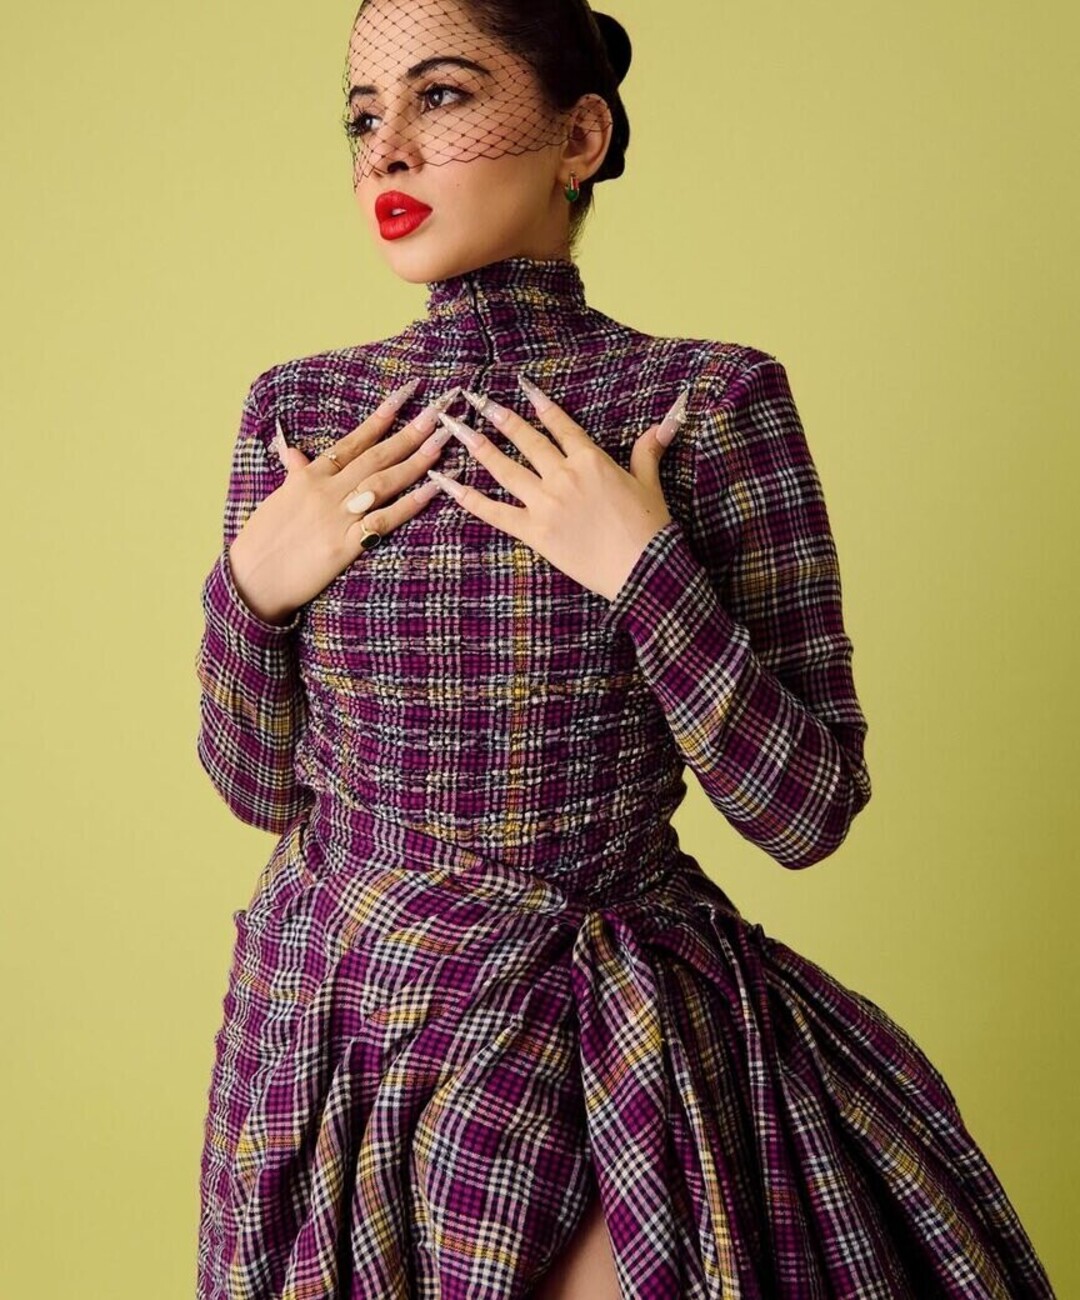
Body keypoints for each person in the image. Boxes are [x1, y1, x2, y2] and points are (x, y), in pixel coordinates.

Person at [193, 0, 1056, 1296]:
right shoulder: (303, 411)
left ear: (579, 137)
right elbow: (260, 789)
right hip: (334, 1026)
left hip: (597, 1028)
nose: (388, 151)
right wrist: (249, 592)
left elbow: (808, 811)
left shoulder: (707, 401)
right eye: (363, 116)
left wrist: (645, 571)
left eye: (441, 97)